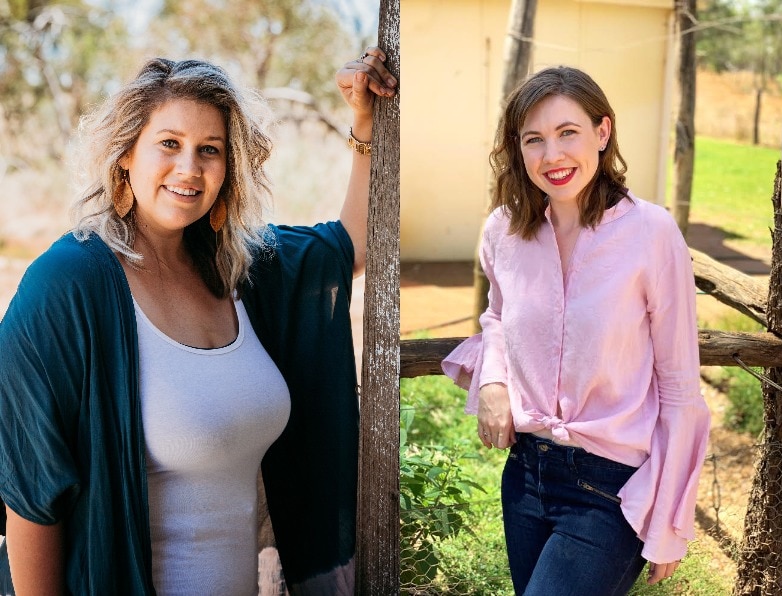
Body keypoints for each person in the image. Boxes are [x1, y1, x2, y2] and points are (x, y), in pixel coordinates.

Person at [0, 47, 396, 595]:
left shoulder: (241, 268)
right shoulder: (68, 284)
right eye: (169, 144)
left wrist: (365, 127)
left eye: (209, 150)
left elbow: (352, 246)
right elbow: (31, 491)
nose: (189, 169)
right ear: (125, 155)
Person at [442, 66, 710, 595]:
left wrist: (669, 523)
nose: (552, 156)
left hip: (610, 488)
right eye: (534, 140)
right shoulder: (504, 230)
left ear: (602, 133)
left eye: (568, 133)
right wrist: (493, 381)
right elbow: (496, 316)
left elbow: (681, 389)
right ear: (517, 149)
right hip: (524, 474)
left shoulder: (651, 233)